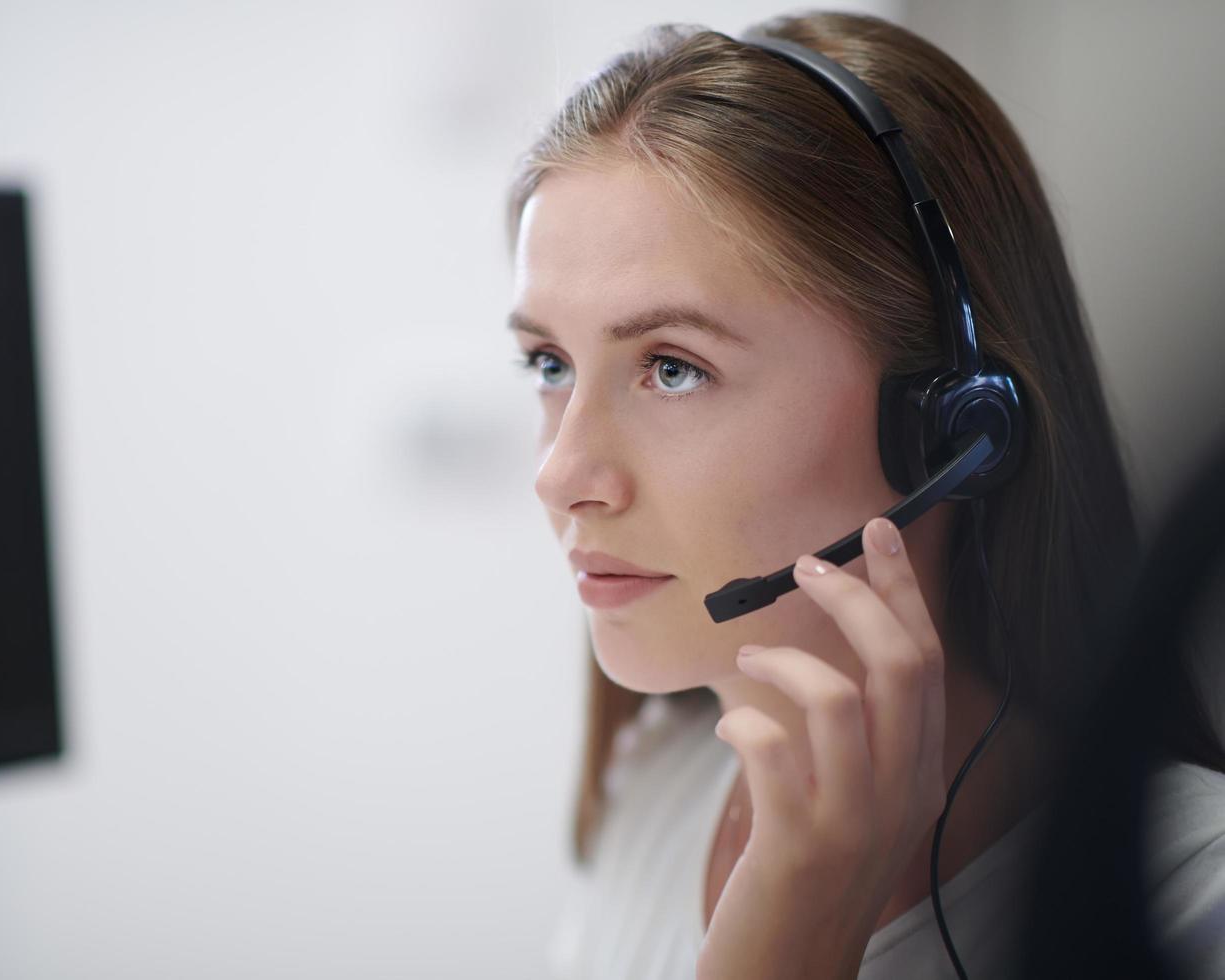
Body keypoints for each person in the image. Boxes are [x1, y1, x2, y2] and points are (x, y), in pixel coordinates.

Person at [501, 11, 1225, 979]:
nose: (559, 473)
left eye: (672, 367)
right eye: (549, 361)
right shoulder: (662, 780)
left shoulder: (1193, 900)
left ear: (952, 423)